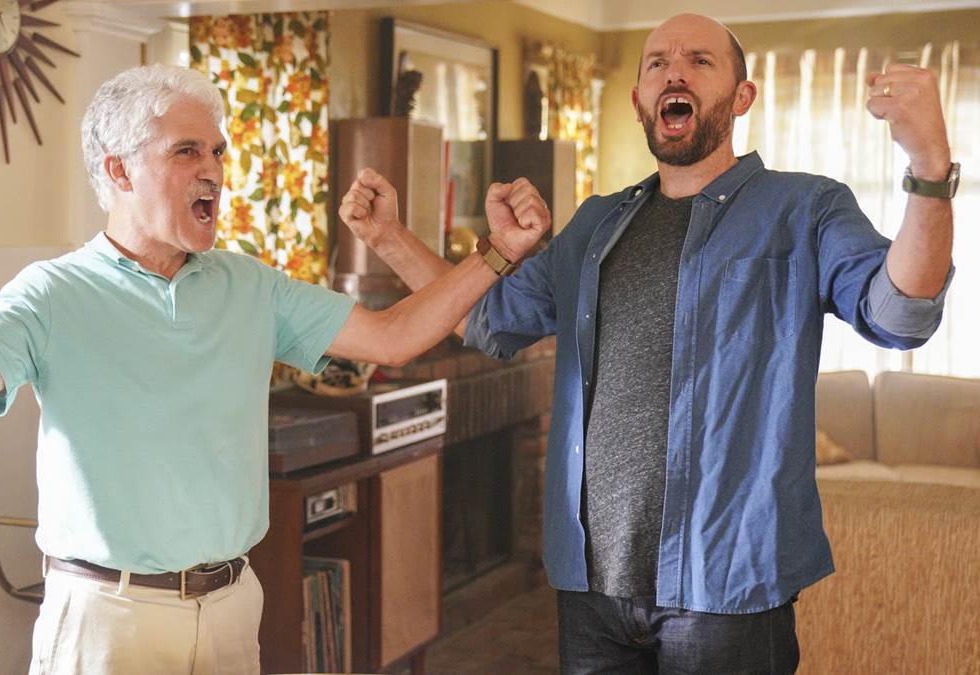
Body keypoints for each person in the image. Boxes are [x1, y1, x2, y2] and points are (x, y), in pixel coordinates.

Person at [0, 64, 550, 674]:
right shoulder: (51, 294)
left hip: (232, 607)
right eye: (187, 152)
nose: (214, 171)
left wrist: (499, 253)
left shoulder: (249, 284)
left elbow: (392, 337)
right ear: (118, 170)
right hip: (107, 622)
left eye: (218, 152)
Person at [339, 13, 956, 674]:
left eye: (699, 60)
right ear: (639, 100)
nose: (674, 73)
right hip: (592, 587)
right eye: (657, 63)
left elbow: (901, 314)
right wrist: (387, 238)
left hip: (727, 586)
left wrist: (928, 168)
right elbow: (487, 316)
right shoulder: (594, 224)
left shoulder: (805, 209)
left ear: (742, 97)